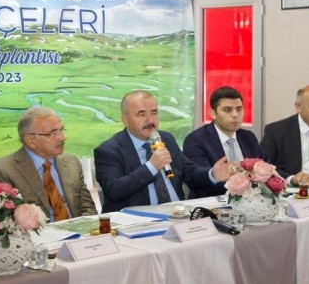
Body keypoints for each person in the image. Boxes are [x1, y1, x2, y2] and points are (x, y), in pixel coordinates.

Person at [94, 90, 230, 212]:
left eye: (154, 112)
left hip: (177, 216)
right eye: (141, 114)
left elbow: (189, 171)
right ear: (125, 120)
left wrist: (213, 174)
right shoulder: (108, 150)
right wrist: (151, 167)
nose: (150, 119)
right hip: (137, 221)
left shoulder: (165, 138)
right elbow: (114, 190)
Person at [0, 107, 97, 221]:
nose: (62, 137)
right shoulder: (3, 170)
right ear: (31, 140)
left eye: (61, 130)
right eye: (53, 133)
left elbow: (87, 207)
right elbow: (8, 220)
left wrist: (85, 228)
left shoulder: (71, 162)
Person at [183, 86, 267, 198]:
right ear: (213, 113)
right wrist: (215, 175)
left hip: (252, 201)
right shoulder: (196, 140)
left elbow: (265, 167)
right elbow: (195, 178)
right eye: (227, 110)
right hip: (213, 202)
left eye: (239, 109)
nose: (235, 115)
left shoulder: (248, 137)